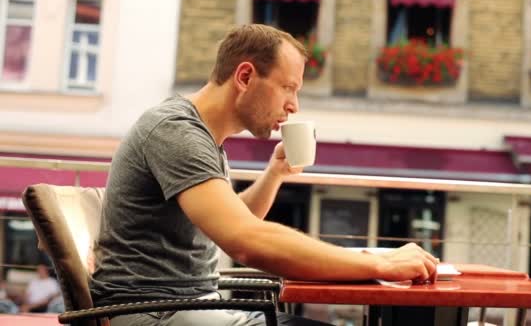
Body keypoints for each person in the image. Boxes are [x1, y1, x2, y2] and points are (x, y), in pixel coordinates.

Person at [90, 24, 438, 326]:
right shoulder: (175, 132)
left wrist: (274, 173)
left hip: (187, 308)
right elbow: (246, 240)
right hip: (154, 314)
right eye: (288, 87)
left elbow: (234, 219)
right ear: (245, 77)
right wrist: (379, 264)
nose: (294, 105)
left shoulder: (203, 138)